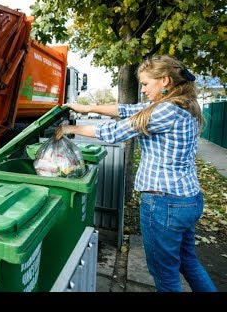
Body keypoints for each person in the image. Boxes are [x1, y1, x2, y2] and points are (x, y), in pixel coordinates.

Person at [55, 55, 217, 292]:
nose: (142, 89)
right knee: (187, 261)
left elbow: (118, 130)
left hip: (164, 203)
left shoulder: (166, 111)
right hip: (188, 199)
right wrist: (87, 107)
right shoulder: (183, 104)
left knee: (165, 273)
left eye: (145, 83)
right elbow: (126, 109)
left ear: (164, 80)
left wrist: (73, 128)